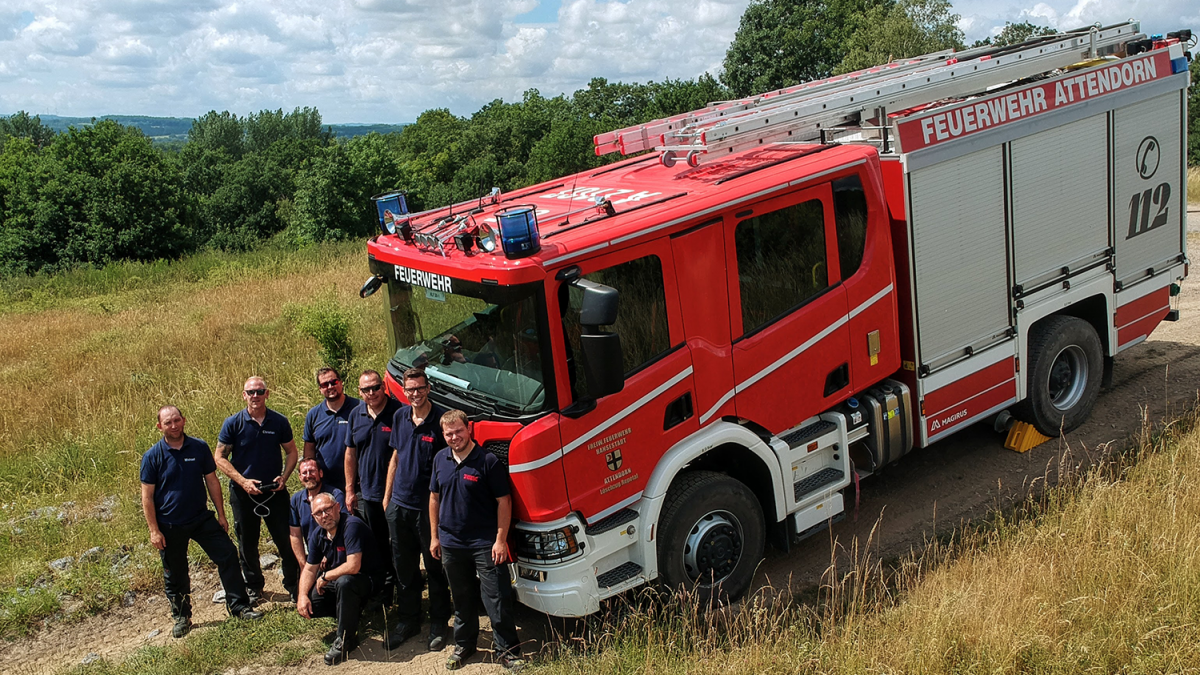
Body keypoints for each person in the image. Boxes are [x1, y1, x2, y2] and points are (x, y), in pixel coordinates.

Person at [140, 405, 263, 638]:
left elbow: (212, 480)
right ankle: (181, 616)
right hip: (169, 524)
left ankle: (239, 607)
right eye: (168, 422)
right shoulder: (152, 456)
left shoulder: (198, 447)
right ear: (160, 427)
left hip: (200, 517)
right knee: (175, 572)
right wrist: (154, 530)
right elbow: (146, 496)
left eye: (177, 420)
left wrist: (221, 514)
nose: (174, 425)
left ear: (183, 420)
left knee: (227, 554)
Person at [429, 410, 524, 671]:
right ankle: (464, 645)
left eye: (458, 431)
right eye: (448, 433)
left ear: (468, 429)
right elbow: (434, 498)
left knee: (497, 597)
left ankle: (508, 650)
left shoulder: (488, 461)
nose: (453, 437)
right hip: (451, 543)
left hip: (484, 542)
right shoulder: (440, 459)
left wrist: (500, 540)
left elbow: (504, 502)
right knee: (461, 598)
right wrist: (435, 537)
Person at [215, 376, 300, 605]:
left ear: (267, 394)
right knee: (247, 543)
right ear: (244, 395)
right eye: (250, 392)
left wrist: (284, 476)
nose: (255, 396)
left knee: (286, 540)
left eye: (259, 391)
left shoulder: (279, 422)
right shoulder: (233, 423)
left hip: (275, 491)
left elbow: (292, 452)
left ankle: (294, 584)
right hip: (244, 494)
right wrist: (242, 482)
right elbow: (219, 457)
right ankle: (254, 587)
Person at [382, 368, 451, 651]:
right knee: (405, 568)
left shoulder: (441, 421)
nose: (415, 394)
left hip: (428, 509)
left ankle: (438, 623)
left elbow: (449, 464)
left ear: (428, 388)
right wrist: (387, 500)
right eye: (410, 389)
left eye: (419, 388)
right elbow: (395, 457)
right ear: (404, 390)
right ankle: (408, 620)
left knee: (434, 567)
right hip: (399, 506)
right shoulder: (400, 416)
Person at [297, 493, 385, 666]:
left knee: (345, 583)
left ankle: (345, 639)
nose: (324, 516)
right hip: (342, 580)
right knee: (311, 600)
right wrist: (301, 595)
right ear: (313, 517)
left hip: (367, 579)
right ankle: (350, 613)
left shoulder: (351, 525)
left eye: (327, 509)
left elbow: (353, 566)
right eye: (319, 513)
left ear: (337, 507)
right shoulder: (318, 534)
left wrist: (325, 576)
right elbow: (309, 568)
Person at [344, 370, 398, 604]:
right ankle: (385, 588)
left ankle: (405, 585)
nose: (372, 393)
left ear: (384, 386)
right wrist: (349, 489)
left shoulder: (399, 413)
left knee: (398, 542)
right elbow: (350, 453)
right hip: (366, 492)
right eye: (366, 390)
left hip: (397, 494)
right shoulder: (356, 415)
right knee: (377, 542)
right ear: (360, 392)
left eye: (375, 387)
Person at [302, 367, 360, 492]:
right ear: (320, 389)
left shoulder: (359, 409)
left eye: (333, 382)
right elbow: (309, 452)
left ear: (340, 382)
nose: (330, 387)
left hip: (358, 484)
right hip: (326, 485)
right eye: (324, 384)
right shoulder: (313, 415)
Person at [289, 458, 348, 572]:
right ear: (300, 477)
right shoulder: (296, 500)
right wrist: (303, 565)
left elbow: (343, 527)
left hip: (337, 557)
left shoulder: (335, 495)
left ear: (320, 473)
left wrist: (328, 554)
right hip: (313, 559)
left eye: (312, 471)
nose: (308, 475)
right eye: (304, 473)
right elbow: (294, 534)